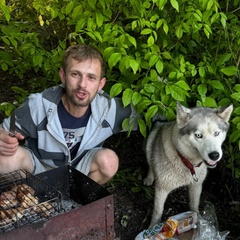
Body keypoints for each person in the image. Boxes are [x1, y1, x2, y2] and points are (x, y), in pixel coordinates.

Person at [0, 44, 136, 185]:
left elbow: (150, 113)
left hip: (77, 172)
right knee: (4, 158)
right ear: (63, 76)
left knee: (109, 161)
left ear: (101, 84)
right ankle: (25, 195)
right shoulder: (39, 105)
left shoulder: (108, 109)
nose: (82, 84)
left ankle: (75, 199)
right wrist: (3, 139)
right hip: (38, 169)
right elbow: (4, 131)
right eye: (75, 74)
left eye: (91, 77)